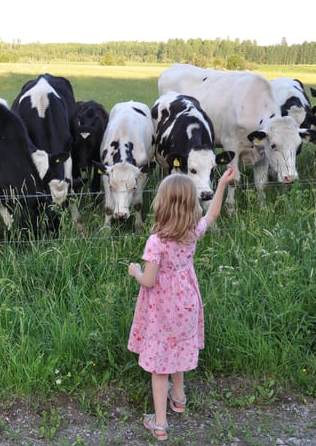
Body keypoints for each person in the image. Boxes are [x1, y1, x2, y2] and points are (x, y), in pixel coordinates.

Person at [127, 164, 238, 441]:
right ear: (190, 204)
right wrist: (222, 184)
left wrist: (135, 272)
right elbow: (212, 214)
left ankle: (160, 424)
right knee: (177, 347)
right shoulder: (192, 232)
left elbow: (149, 281)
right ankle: (179, 398)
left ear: (162, 203)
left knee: (159, 365)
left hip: (162, 308)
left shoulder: (156, 241)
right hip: (187, 302)